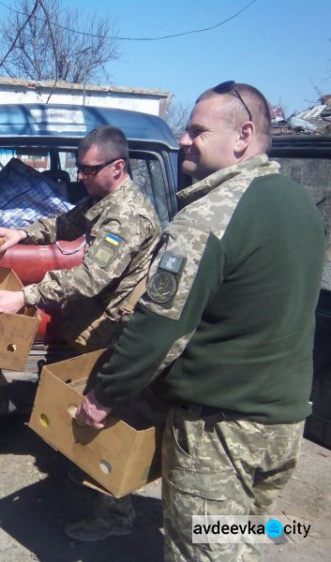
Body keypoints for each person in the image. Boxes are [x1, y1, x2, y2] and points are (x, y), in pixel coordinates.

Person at [77, 82, 325, 561]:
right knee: (242, 539)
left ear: (243, 134)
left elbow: (161, 326)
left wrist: (105, 395)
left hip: (221, 430)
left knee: (203, 551)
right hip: (284, 423)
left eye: (197, 130)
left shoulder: (207, 217)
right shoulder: (300, 206)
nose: (184, 140)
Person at [0, 126, 162, 541]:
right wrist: (22, 234)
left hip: (112, 334)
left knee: (104, 420)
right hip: (88, 328)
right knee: (75, 408)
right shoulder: (102, 201)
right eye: (78, 169)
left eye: (87, 170)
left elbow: (90, 278)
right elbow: (67, 222)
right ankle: (81, 467)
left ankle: (115, 515)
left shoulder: (127, 215)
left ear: (118, 168)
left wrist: (26, 295)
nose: (79, 176)